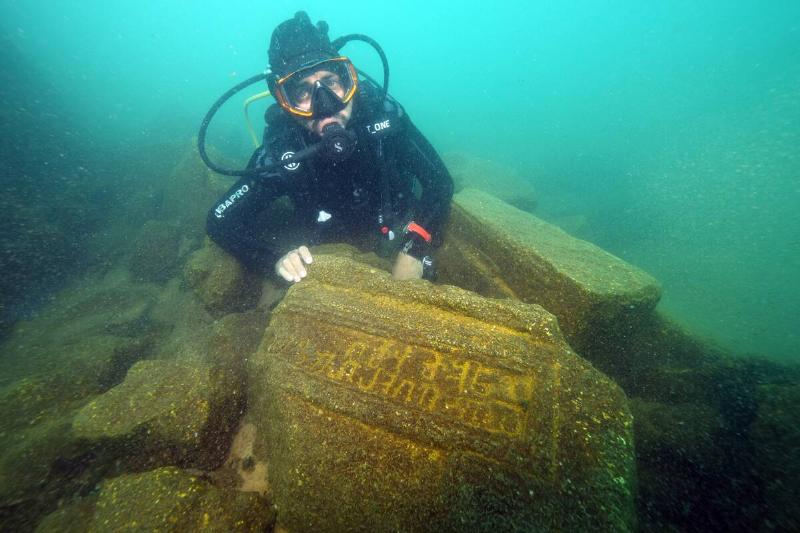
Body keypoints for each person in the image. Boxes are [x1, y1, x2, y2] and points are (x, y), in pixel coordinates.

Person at [206, 11, 453, 283]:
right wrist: (275, 261)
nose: (324, 105)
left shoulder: (382, 115)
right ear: (284, 103)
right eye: (302, 92)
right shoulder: (283, 151)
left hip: (393, 215)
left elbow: (439, 181)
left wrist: (414, 248)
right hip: (327, 234)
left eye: (332, 83)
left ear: (349, 80)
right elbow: (220, 221)